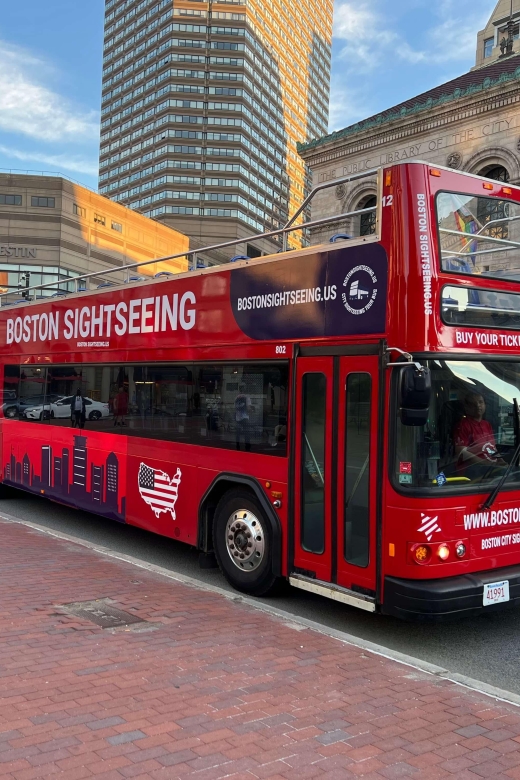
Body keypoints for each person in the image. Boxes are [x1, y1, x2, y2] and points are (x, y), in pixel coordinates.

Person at [453, 392, 506, 469]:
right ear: (467, 408)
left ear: (485, 405)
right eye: (472, 403)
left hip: (491, 469)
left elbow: (490, 448)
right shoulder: (463, 425)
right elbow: (462, 453)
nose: (478, 405)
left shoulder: (487, 425)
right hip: (474, 472)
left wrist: (501, 460)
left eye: (480, 402)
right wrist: (487, 464)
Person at [235, 384, 252, 451]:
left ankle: (237, 446)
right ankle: (247, 447)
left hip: (238, 417)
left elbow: (235, 408)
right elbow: (248, 408)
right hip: (245, 418)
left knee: (238, 433)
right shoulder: (247, 397)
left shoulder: (236, 398)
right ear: (245, 389)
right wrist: (251, 411)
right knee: (247, 433)